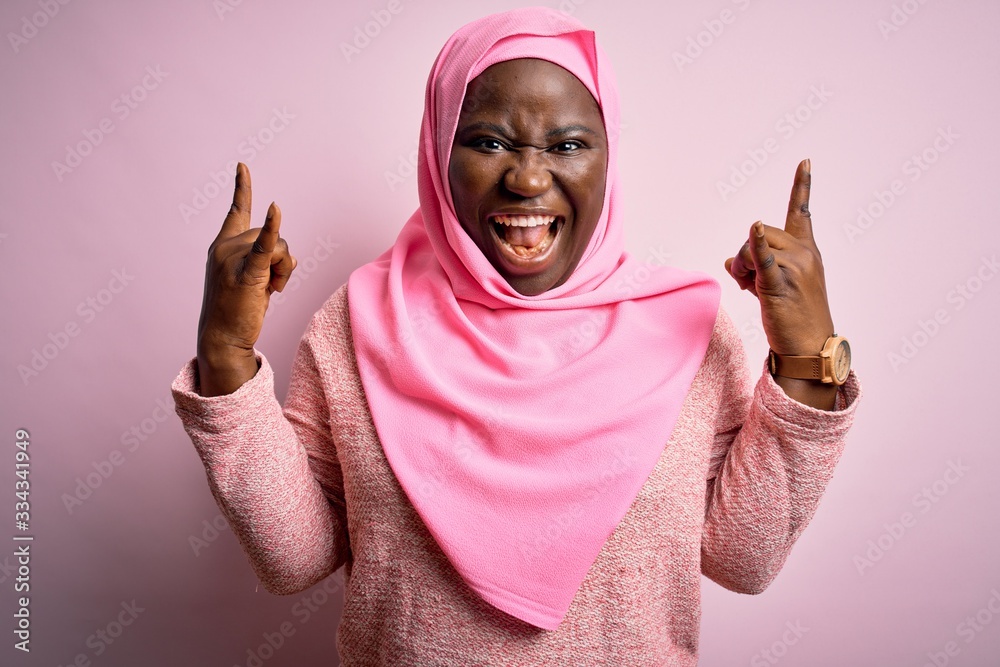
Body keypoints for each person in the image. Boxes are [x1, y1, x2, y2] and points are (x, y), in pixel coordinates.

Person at [172, 7, 861, 665]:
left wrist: (806, 358)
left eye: (567, 144)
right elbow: (293, 558)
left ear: (608, 156)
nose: (528, 177)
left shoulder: (688, 328)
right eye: (488, 141)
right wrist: (226, 355)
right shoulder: (358, 322)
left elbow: (743, 559)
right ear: (439, 150)